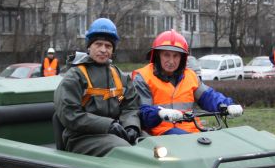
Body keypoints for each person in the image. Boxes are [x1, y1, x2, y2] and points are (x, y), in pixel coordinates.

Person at [54, 18, 141, 156]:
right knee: (124, 151)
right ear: (89, 47)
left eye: (108, 46)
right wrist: (108, 125)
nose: (103, 50)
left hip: (115, 133)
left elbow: (130, 106)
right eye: (98, 44)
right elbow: (69, 114)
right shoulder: (75, 76)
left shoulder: (119, 76)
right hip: (81, 138)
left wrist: (131, 126)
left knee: (149, 144)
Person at [132, 30, 243, 135]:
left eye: (176, 56)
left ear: (183, 58)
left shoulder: (190, 75)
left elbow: (208, 96)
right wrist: (159, 113)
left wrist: (227, 105)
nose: (171, 61)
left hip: (192, 130)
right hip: (159, 133)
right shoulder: (143, 77)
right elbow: (142, 112)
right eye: (166, 55)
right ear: (157, 55)